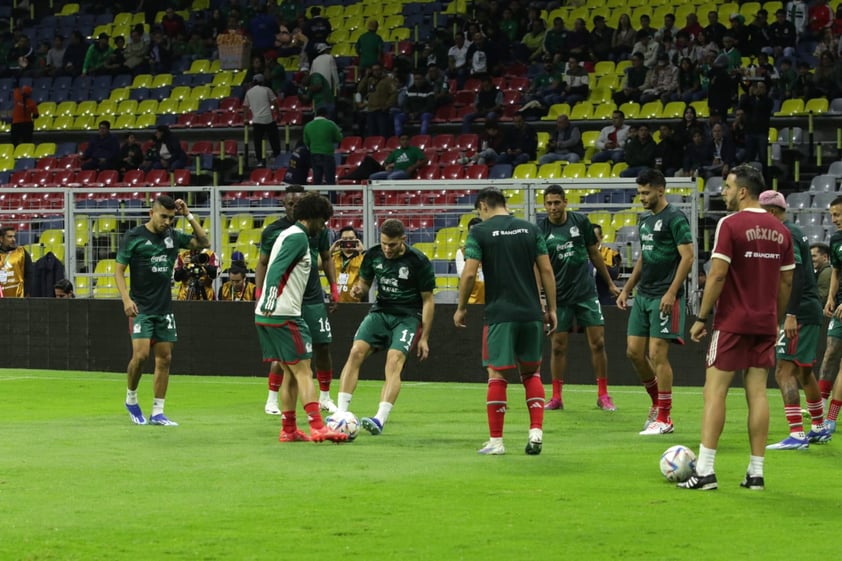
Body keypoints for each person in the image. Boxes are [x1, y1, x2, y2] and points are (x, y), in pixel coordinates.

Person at [679, 165, 794, 491]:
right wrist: (774, 317)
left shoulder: (729, 224)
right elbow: (786, 281)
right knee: (757, 392)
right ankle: (756, 472)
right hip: (764, 322)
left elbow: (716, 275)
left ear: (743, 191)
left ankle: (705, 471)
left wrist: (701, 317)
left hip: (732, 322)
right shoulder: (780, 230)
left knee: (713, 391)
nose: (724, 193)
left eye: (728, 187)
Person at [454, 187, 557, 455]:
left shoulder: (480, 232)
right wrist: (551, 308)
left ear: (484, 206)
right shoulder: (530, 230)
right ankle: (536, 432)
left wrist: (461, 307)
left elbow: (468, 274)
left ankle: (496, 442)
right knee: (531, 373)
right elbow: (546, 269)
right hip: (532, 313)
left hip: (500, 315)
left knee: (497, 374)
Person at [255, 192, 347, 443]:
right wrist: (272, 301)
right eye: (323, 220)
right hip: (283, 314)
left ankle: (288, 429)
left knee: (290, 373)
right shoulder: (297, 238)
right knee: (305, 371)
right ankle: (318, 426)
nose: (324, 225)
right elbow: (275, 269)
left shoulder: (291, 235)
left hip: (271, 314)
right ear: (313, 217)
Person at [334, 218, 436, 435]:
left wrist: (425, 337)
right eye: (383, 244)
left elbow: (428, 300)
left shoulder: (418, 261)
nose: (387, 249)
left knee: (393, 361)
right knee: (355, 352)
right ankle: (341, 414)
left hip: (408, 316)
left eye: (392, 245)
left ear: (403, 240)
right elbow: (364, 283)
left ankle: (379, 419)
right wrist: (358, 291)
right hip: (380, 311)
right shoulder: (372, 255)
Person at [115, 195, 210, 426]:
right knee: (141, 356)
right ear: (151, 213)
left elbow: (204, 242)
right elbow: (118, 271)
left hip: (164, 308)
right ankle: (131, 398)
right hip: (141, 307)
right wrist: (126, 299)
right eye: (163, 216)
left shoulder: (173, 236)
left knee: (165, 359)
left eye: (171, 217)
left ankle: (158, 412)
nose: (167, 221)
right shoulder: (134, 237)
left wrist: (188, 215)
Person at [617, 169, 695, 435]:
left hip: (665, 295)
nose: (642, 197)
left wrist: (672, 292)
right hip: (643, 295)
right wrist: (627, 288)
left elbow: (688, 256)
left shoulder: (675, 218)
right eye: (640, 193)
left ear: (661, 190)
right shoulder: (645, 220)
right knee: (633, 352)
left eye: (646, 192)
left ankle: (665, 417)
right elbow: (643, 257)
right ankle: (655, 402)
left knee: (657, 355)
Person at [759, 191, 831, 449]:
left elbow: (797, 276)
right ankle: (819, 427)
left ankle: (797, 434)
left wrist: (789, 314)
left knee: (783, 370)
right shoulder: (793, 231)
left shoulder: (785, 234)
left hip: (798, 312)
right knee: (804, 371)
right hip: (807, 309)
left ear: (771, 212)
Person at [540, 185, 621, 412]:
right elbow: (538, 266)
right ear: (545, 205)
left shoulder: (580, 222)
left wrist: (610, 284)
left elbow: (594, 253)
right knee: (557, 346)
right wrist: (542, 299)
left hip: (585, 293)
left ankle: (603, 395)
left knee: (598, 343)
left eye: (557, 202)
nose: (553, 207)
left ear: (565, 202)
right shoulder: (541, 230)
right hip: (560, 297)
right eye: (549, 203)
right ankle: (556, 397)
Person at [821, 198, 842, 431]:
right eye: (832, 215)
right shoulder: (836, 239)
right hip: (838, 307)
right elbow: (836, 271)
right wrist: (830, 297)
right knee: (830, 354)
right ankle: (820, 408)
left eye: (838, 215)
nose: (834, 220)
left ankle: (831, 419)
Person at [243, 74, 281, 167]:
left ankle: (259, 160)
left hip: (257, 120)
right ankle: (277, 156)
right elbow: (275, 102)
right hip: (268, 118)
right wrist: (278, 114)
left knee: (257, 142)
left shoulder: (249, 92)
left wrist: (245, 118)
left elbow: (245, 106)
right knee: (274, 139)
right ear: (262, 81)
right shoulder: (267, 90)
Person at [302, 105, 342, 185]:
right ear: (326, 115)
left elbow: (306, 142)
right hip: (327, 155)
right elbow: (339, 138)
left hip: (314, 155)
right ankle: (332, 197)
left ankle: (315, 197)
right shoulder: (330, 124)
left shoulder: (308, 126)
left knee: (317, 181)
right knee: (330, 181)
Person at [330, 226, 366, 303]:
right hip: (335, 303)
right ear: (339, 240)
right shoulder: (334, 257)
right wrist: (331, 250)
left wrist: (363, 251)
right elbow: (317, 265)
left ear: (357, 240)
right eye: (344, 239)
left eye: (351, 239)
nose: (348, 242)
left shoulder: (363, 258)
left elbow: (373, 267)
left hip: (357, 304)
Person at [455, 217, 485, 304]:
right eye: (472, 232)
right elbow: (462, 274)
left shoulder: (491, 250)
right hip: (471, 299)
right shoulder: (461, 252)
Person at [0, 226, 33, 298]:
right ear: (1, 239)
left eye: (14, 236)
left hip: (18, 296)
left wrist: (27, 292)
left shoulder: (21, 252)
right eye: (9, 237)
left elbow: (29, 274)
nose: (13, 239)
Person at [593, 224, 621, 307]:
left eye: (595, 238)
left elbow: (614, 273)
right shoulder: (581, 254)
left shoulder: (610, 253)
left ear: (601, 238)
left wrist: (595, 264)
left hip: (606, 299)